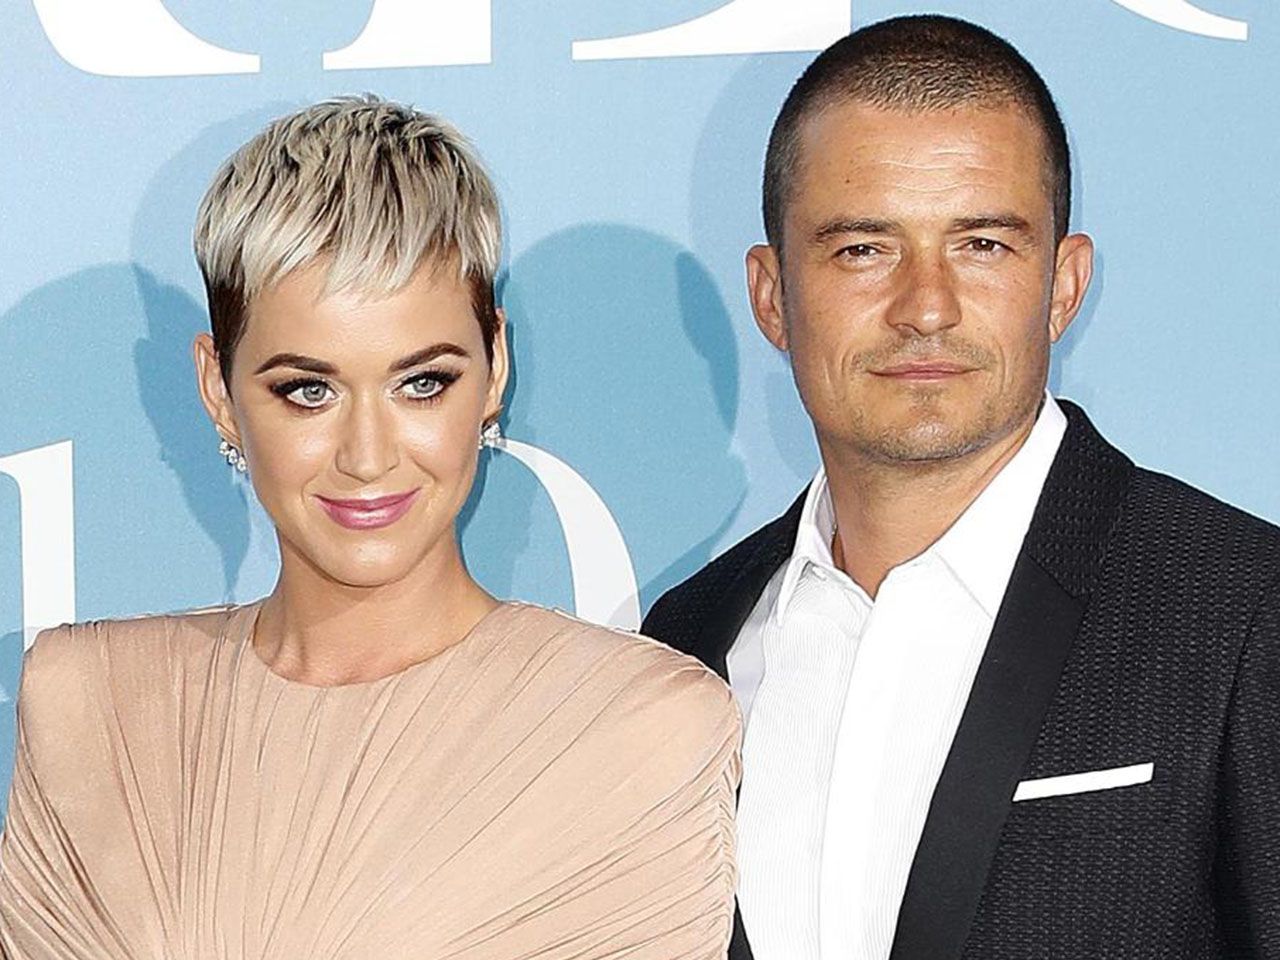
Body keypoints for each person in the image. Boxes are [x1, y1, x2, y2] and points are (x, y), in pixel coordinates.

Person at [0, 96, 740, 959]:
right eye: (307, 390)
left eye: (421, 383)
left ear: (495, 367)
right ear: (218, 391)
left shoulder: (637, 730)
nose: (367, 454)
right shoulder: (87, 704)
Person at [643, 14, 1280, 960]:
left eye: (982, 244)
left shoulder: (1240, 608)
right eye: (864, 249)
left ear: (1063, 285)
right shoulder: (684, 645)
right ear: (772, 297)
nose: (926, 308)